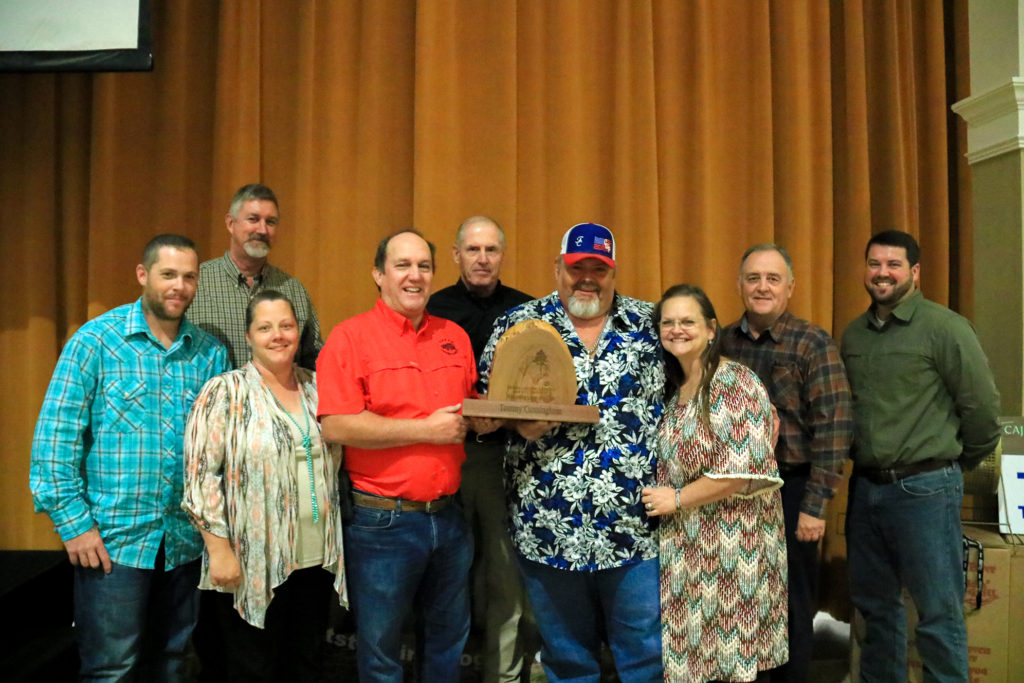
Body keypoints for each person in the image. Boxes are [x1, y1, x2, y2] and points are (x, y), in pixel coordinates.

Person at [29, 234, 229, 680]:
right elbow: (55, 439)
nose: (179, 286)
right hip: (113, 544)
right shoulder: (96, 342)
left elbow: (218, 451)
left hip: (184, 542)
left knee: (173, 665)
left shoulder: (209, 354)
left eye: (189, 276)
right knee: (110, 670)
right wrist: (74, 525)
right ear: (143, 275)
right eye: (168, 274)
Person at [477, 222, 665, 683]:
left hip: (634, 527)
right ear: (557, 268)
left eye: (598, 268)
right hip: (547, 526)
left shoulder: (652, 324)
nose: (587, 277)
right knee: (566, 660)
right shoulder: (517, 326)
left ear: (613, 272)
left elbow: (698, 384)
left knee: (644, 657)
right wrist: (515, 421)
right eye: (576, 266)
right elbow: (484, 408)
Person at [316, 229, 499, 682]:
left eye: (423, 266)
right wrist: (425, 430)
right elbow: (335, 425)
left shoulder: (453, 336)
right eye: (402, 265)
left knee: (447, 645)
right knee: (380, 651)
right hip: (382, 524)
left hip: (449, 517)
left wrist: (488, 419)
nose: (414, 276)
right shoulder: (350, 338)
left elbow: (469, 405)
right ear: (378, 274)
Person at [841, 230, 1000, 682]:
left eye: (893, 265)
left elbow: (983, 412)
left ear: (914, 272)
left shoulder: (945, 327)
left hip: (926, 490)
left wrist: (949, 466)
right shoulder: (854, 334)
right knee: (876, 612)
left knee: (938, 612)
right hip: (866, 488)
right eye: (874, 264)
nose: (882, 273)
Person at [182, 290, 347, 681]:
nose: (278, 335)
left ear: (299, 331)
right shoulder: (224, 392)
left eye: (286, 326)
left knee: (305, 664)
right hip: (249, 560)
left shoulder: (319, 388)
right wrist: (218, 551)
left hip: (315, 558)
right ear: (249, 335)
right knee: (254, 667)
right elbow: (201, 476)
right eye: (265, 327)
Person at [642, 283, 788, 683]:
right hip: (688, 550)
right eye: (667, 322)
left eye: (687, 321)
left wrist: (676, 498)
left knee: (730, 664)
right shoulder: (676, 393)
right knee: (694, 664)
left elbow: (740, 470)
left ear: (710, 329)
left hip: (732, 551)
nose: (676, 329)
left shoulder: (735, 383)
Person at [720, 244, 852, 682]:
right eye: (753, 278)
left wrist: (816, 505)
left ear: (790, 287)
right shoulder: (720, 342)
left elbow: (834, 428)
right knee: (740, 598)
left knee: (791, 601)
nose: (762, 287)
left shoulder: (811, 343)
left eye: (772, 279)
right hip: (731, 491)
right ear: (739, 284)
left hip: (792, 489)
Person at [426, 216, 534, 683]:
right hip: (443, 456)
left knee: (505, 580)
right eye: (473, 250)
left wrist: (506, 416)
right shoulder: (432, 310)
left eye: (491, 250)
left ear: (502, 255)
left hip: (505, 458)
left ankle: (504, 677)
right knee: (444, 579)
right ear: (456, 255)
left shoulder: (530, 313)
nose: (483, 259)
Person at [188, 183, 323, 370]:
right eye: (253, 219)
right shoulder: (195, 284)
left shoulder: (293, 290)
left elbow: (313, 362)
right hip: (209, 398)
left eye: (271, 222)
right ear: (230, 224)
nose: (262, 230)